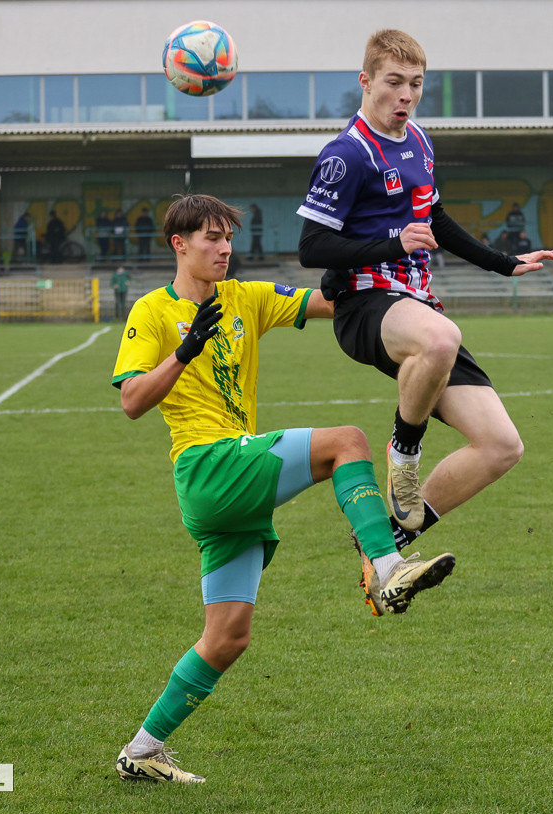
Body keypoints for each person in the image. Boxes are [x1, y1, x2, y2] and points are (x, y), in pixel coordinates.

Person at [111, 194, 455, 784]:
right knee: (346, 440)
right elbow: (132, 401)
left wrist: (391, 288)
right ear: (179, 244)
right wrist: (182, 353)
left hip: (228, 493)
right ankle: (385, 564)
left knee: (227, 639)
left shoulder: (244, 298)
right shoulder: (152, 312)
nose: (224, 249)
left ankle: (142, 750)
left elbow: (329, 302)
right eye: (212, 239)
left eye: (228, 239)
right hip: (208, 464)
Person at [297, 29, 553, 553]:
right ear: (366, 82)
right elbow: (312, 247)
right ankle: (404, 453)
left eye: (415, 84)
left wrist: (504, 264)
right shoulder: (346, 155)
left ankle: (389, 541)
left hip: (415, 306)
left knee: (502, 446)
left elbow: (435, 219)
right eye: (394, 82)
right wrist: (390, 243)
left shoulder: (418, 142)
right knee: (440, 339)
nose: (406, 95)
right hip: (364, 303)